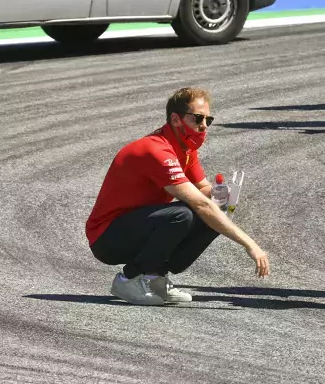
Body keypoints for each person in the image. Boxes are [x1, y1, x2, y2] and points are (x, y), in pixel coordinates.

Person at [86, 87, 271, 306]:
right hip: (107, 238)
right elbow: (200, 204)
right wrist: (250, 245)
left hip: (138, 227)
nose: (203, 125)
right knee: (184, 215)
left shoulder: (185, 149)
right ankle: (128, 278)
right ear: (175, 119)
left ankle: (155, 277)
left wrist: (220, 195)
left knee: (214, 210)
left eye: (208, 120)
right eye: (198, 118)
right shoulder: (156, 151)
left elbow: (203, 190)